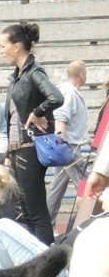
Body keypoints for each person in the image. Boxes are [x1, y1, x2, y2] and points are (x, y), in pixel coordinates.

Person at [0, 22, 64, 246]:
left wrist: (37, 112)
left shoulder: (34, 72)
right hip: (18, 148)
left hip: (30, 147)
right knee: (25, 211)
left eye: (2, 46)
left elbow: (56, 97)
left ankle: (45, 260)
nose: (1, 51)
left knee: (35, 211)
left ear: (16, 47)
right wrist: (8, 151)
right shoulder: (17, 76)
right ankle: (36, 257)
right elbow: (12, 118)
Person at [46, 61, 90, 224]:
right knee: (87, 184)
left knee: (57, 187)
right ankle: (89, 220)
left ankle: (47, 224)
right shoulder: (69, 94)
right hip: (69, 147)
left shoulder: (65, 91)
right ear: (82, 75)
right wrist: (61, 144)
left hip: (67, 144)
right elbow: (61, 118)